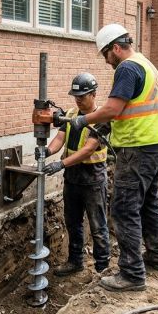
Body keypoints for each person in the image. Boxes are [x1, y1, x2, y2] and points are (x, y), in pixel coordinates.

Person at [67, 23, 158, 292]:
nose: (106, 60)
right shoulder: (146, 64)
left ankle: (132, 274)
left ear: (115, 47)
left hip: (138, 148)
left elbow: (112, 109)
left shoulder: (126, 68)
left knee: (124, 209)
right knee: (149, 203)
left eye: (105, 54)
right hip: (157, 144)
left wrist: (82, 121)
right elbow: (125, 108)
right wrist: (99, 124)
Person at [41, 73, 110, 276]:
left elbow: (88, 149)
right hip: (72, 178)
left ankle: (102, 268)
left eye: (82, 96)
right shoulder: (71, 114)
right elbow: (60, 138)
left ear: (94, 94)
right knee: (73, 223)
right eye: (75, 96)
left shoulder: (102, 118)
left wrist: (60, 164)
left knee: (98, 226)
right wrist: (47, 151)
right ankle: (75, 261)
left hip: (93, 180)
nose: (78, 100)